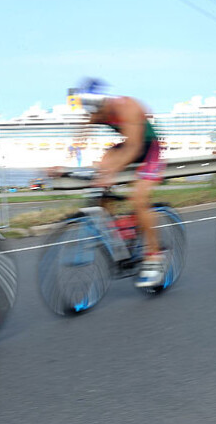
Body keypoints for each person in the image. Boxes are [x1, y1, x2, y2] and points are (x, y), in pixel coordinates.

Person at [73, 79, 166, 288]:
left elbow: (133, 148)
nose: (97, 114)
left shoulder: (127, 107)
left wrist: (111, 172)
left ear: (105, 101)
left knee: (138, 199)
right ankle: (117, 230)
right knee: (100, 179)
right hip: (128, 145)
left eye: (99, 109)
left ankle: (154, 257)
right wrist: (65, 161)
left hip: (149, 148)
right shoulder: (96, 111)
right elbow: (81, 137)